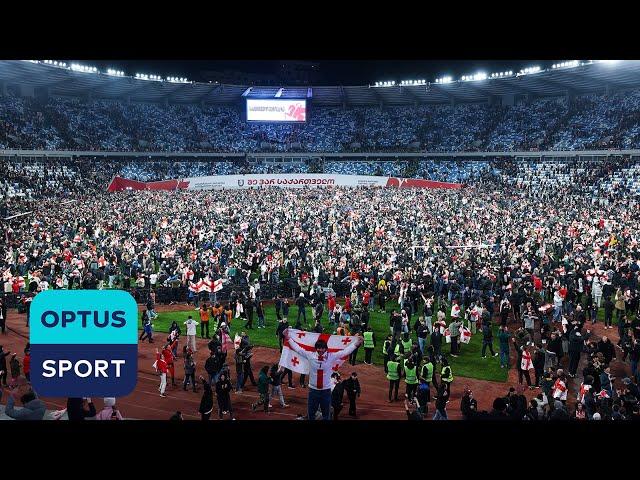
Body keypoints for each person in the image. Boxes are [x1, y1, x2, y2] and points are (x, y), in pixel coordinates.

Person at [283, 328, 363, 420]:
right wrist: (287, 337)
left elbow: (345, 352)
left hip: (326, 391)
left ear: (326, 348)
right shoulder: (310, 355)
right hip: (313, 390)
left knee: (326, 415)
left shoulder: (331, 356)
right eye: (318, 348)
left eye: (322, 348)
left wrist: (356, 344)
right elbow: (298, 349)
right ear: (316, 348)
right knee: (311, 414)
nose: (320, 350)